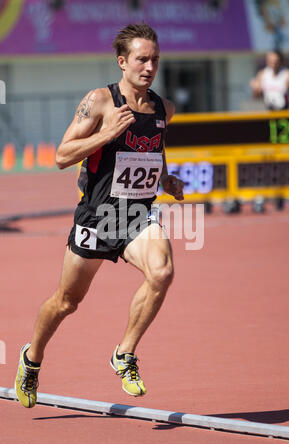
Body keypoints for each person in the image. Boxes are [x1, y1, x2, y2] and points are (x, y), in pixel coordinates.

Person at [15, 23, 184, 408]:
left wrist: (165, 179)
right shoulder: (100, 101)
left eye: (155, 59)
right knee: (66, 302)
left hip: (137, 215)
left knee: (162, 272)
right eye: (142, 59)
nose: (149, 67)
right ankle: (32, 358)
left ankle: (124, 354)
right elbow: (61, 156)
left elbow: (151, 152)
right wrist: (106, 134)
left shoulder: (163, 108)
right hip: (97, 217)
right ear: (122, 62)